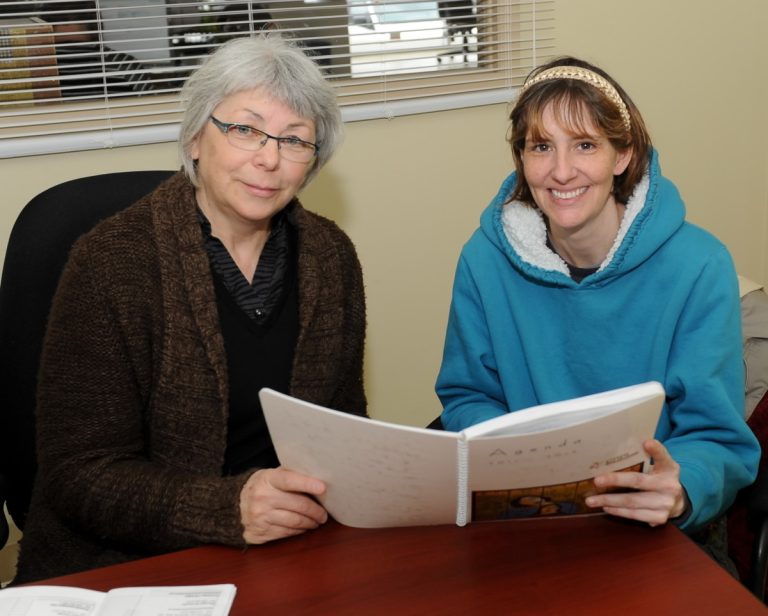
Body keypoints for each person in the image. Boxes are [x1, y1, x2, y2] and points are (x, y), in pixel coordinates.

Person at [14, 34, 366, 583]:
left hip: (290, 551)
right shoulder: (113, 262)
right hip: (129, 566)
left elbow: (344, 429)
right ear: (196, 137)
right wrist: (227, 509)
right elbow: (79, 474)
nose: (268, 158)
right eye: (245, 129)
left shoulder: (330, 255)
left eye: (295, 140)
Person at [435, 57, 760, 554]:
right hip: (528, 521)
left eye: (585, 145)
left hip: (660, 529)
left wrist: (681, 487)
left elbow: (717, 438)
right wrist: (516, 460)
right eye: (541, 146)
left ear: (622, 156)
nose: (562, 171)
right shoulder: (484, 259)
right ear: (521, 158)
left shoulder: (699, 265)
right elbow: (466, 397)